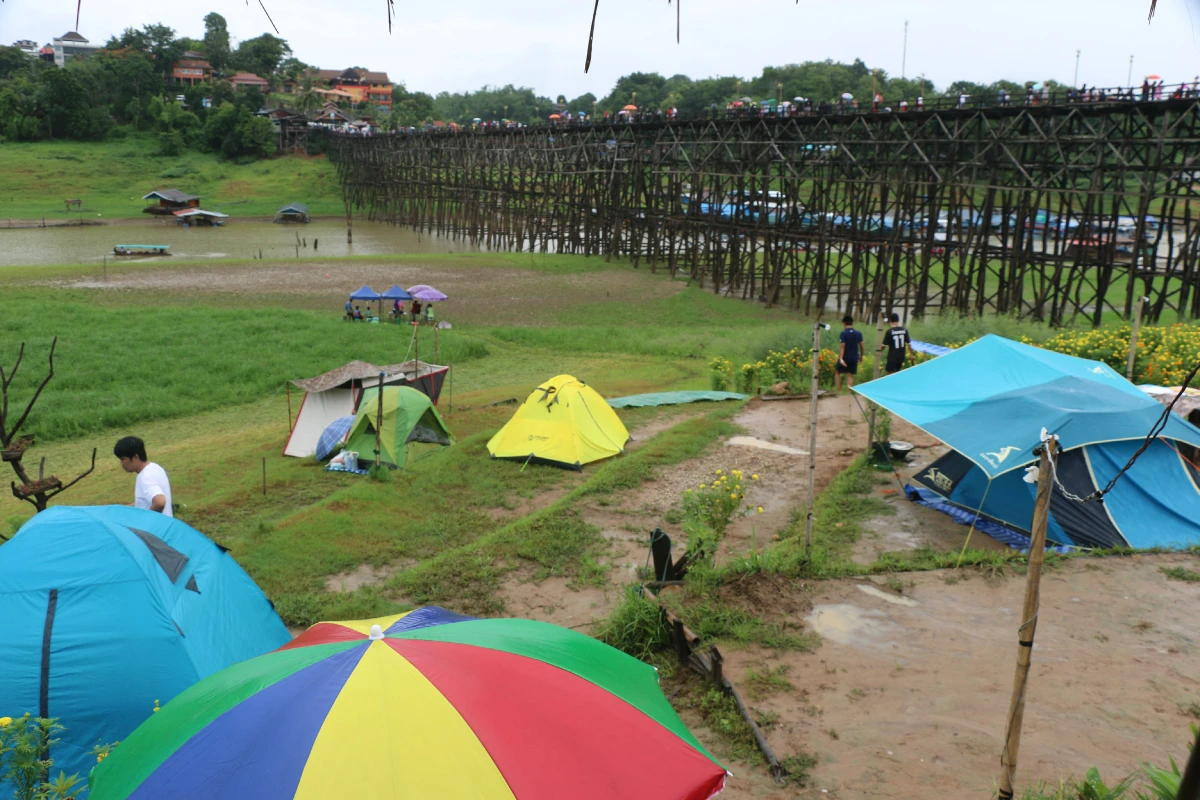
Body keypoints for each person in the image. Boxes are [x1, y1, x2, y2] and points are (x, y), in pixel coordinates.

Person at [114, 436, 173, 517]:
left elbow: (159, 502)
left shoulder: (145, 477)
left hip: (154, 529)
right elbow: (145, 502)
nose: (121, 463)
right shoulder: (155, 467)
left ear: (135, 457)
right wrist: (124, 509)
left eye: (123, 459)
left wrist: (147, 521)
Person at [835, 314, 863, 393]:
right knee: (849, 375)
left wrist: (841, 358)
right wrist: (861, 356)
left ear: (844, 323)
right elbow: (861, 346)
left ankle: (839, 391)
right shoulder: (858, 333)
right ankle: (849, 393)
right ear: (852, 323)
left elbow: (842, 345)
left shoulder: (843, 333)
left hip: (845, 357)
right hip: (854, 357)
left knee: (837, 372)